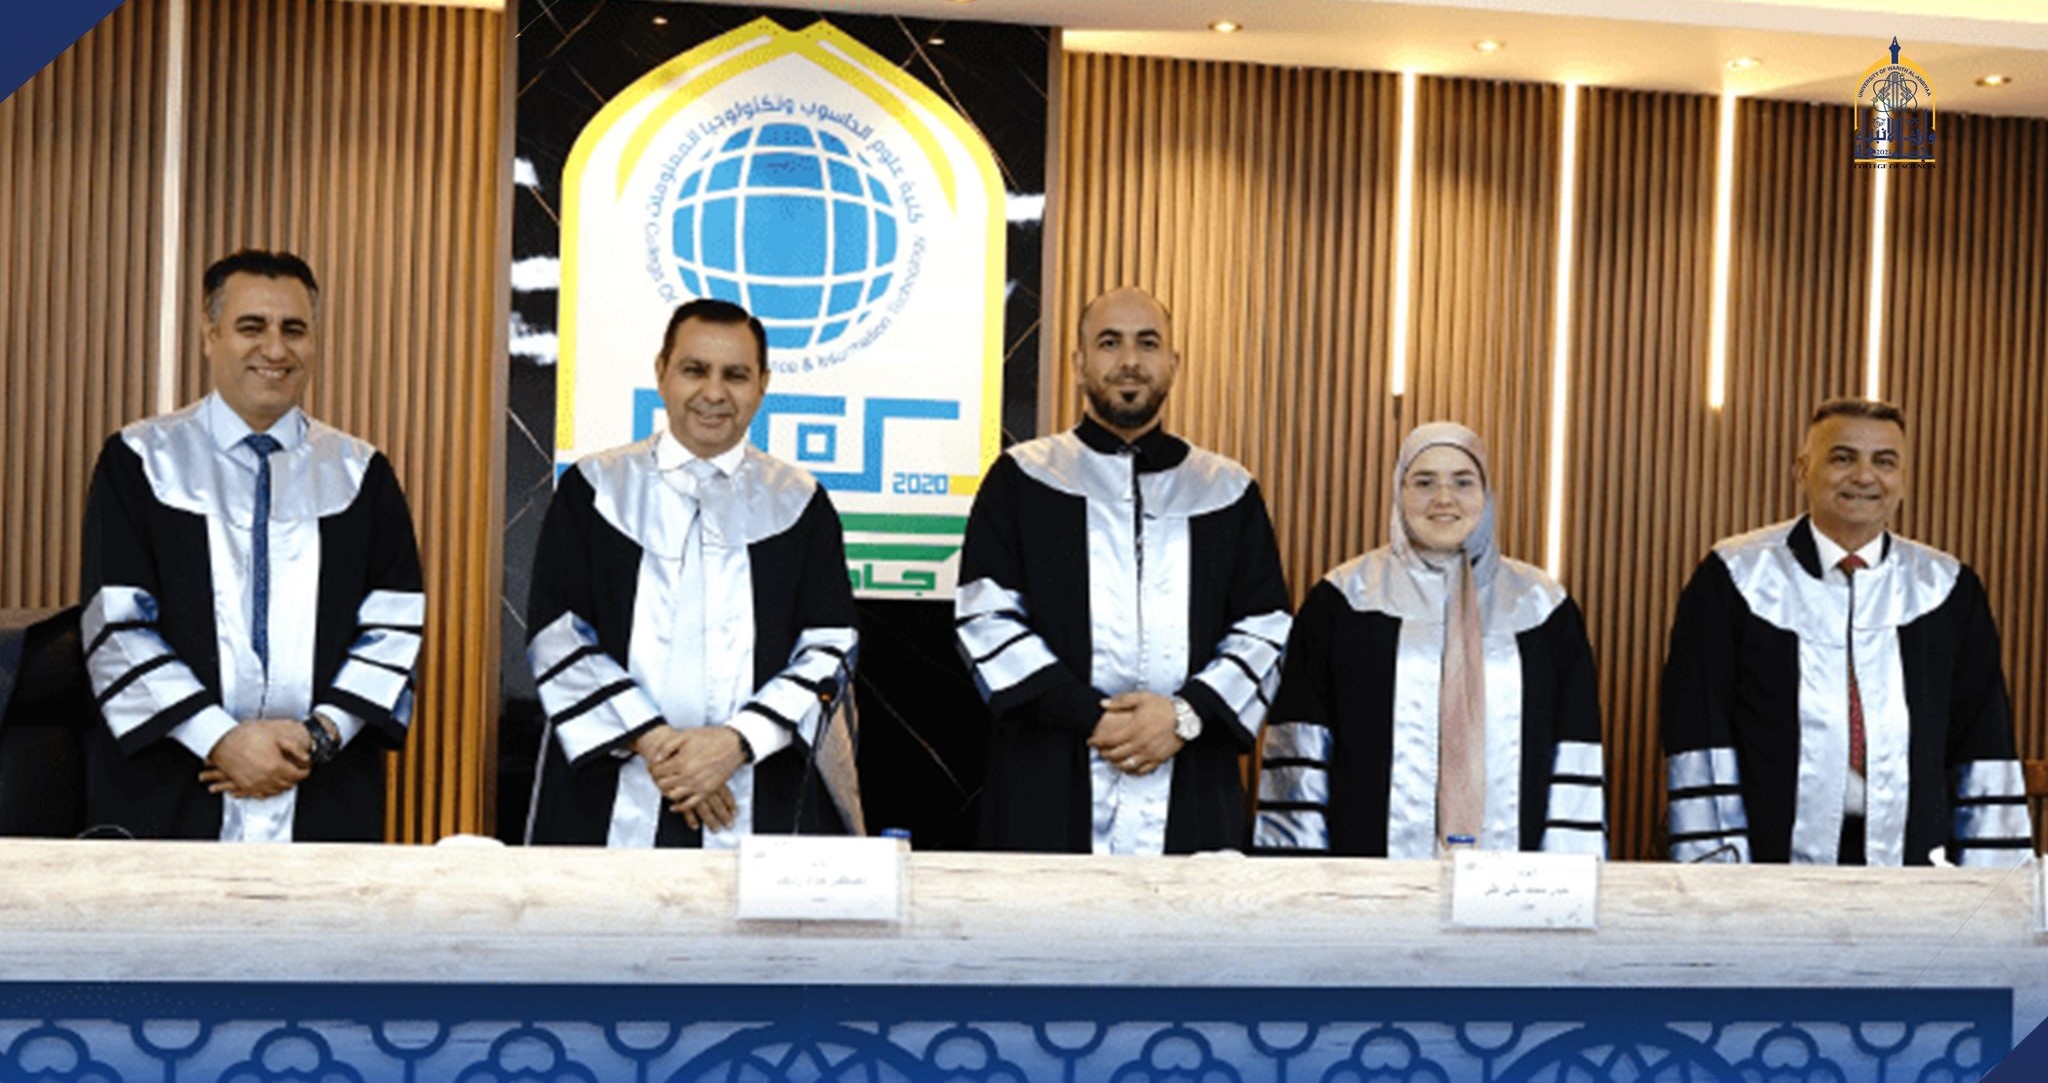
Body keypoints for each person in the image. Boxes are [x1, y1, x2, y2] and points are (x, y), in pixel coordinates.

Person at [78, 249, 424, 842]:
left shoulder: (360, 473)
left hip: (321, 785)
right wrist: (218, 738)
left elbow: (394, 625)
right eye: (251, 326)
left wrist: (317, 736)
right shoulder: (139, 461)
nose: (275, 349)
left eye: (294, 330)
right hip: (175, 782)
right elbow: (116, 623)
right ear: (210, 335)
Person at [954, 286, 1291, 855]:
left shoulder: (1227, 490)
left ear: (1173, 363)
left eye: (1148, 343)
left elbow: (1264, 628)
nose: (1129, 360)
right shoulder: (1021, 479)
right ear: (1079, 363)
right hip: (1050, 777)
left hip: (1189, 781)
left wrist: (1184, 715)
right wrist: (1092, 717)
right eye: (1109, 343)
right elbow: (985, 618)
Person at [525, 298, 857, 847]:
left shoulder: (801, 503)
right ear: (662, 373)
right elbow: (557, 636)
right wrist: (663, 749)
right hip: (608, 788)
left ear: (763, 384)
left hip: (757, 787)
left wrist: (735, 743)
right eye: (695, 370)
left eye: (736, 375)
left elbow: (830, 647)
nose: (714, 393)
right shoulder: (595, 489)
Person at [1661, 398, 2033, 866]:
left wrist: (1990, 878)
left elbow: (1982, 737)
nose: (1864, 476)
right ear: (1802, 470)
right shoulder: (1735, 577)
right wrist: (1717, 862)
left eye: (1885, 462)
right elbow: (1699, 726)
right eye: (1842, 458)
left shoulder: (1947, 588)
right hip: (1767, 858)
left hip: (1915, 861)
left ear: (1903, 479)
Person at [1252, 423, 1606, 858]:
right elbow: (1301, 746)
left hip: (1514, 878)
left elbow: (1573, 749)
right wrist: (1300, 871)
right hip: (1368, 876)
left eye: (1463, 481)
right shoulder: (1342, 600)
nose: (1444, 498)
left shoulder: (1543, 606)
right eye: (1423, 482)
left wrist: (1568, 873)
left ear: (1487, 494)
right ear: (1398, 492)